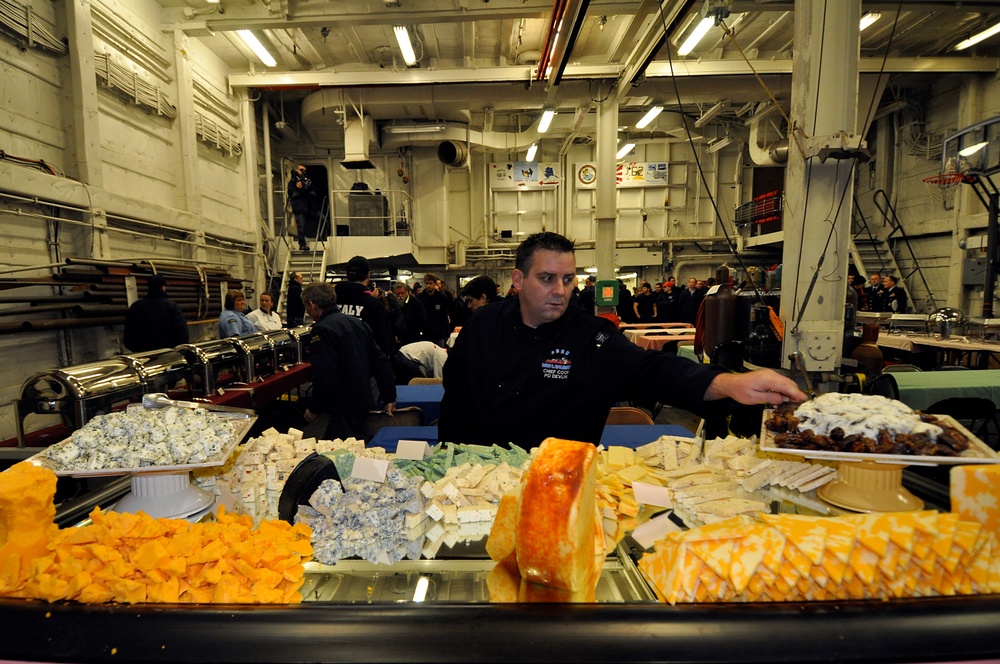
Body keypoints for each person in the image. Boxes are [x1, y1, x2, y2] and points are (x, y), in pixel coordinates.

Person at [439, 232, 805, 448]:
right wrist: (449, 455)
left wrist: (729, 382)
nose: (561, 291)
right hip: (484, 476)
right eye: (547, 278)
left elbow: (655, 371)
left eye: (568, 280)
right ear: (518, 281)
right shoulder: (483, 326)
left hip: (565, 480)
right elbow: (456, 398)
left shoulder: (590, 337)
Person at [300, 282, 396, 440]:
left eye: (306, 307)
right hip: (365, 401)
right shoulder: (358, 323)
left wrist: (314, 408)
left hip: (340, 409)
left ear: (312, 304)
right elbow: (380, 362)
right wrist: (389, 396)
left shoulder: (322, 329)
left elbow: (325, 376)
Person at [334, 255, 393, 357]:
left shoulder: (332, 302)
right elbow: (382, 342)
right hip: (364, 365)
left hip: (336, 364)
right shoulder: (373, 305)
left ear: (347, 275)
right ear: (368, 275)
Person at [123, 274, 189, 352]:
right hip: (168, 354)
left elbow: (128, 336)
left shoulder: (136, 307)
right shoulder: (171, 307)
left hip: (143, 356)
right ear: (163, 287)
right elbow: (182, 334)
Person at [417, 272, 451, 346]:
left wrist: (444, 332)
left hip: (438, 334)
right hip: (424, 334)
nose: (428, 285)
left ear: (435, 283)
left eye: (431, 283)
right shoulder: (420, 298)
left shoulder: (442, 298)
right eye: (426, 283)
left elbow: (444, 316)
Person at [287, 164, 314, 251]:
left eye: (304, 170)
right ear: (297, 170)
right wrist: (298, 188)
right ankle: (302, 244)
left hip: (308, 207)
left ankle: (321, 235)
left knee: (320, 217)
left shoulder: (307, 181)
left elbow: (314, 193)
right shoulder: (292, 182)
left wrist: (309, 187)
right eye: (300, 170)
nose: (302, 172)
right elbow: (292, 195)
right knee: (301, 226)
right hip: (299, 208)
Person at [393, 281, 427, 347]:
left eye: (402, 293)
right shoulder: (394, 304)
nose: (400, 296)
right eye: (398, 294)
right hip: (399, 341)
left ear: (406, 292)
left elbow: (422, 320)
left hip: (414, 340)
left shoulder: (416, 303)